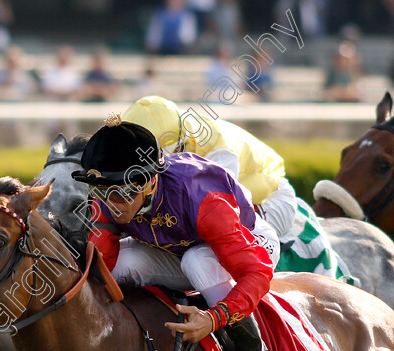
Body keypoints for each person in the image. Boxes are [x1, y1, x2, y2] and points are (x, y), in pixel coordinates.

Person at [71, 116, 280, 351]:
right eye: (101, 191)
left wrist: (213, 318)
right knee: (123, 263)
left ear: (148, 182)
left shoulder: (203, 198)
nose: (111, 205)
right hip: (178, 250)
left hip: (249, 244)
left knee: (197, 261)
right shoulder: (110, 200)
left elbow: (255, 272)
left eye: (120, 194)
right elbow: (102, 268)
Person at [120, 95, 353, 282]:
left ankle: (248, 336)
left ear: (179, 144)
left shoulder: (218, 152)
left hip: (267, 199)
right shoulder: (175, 137)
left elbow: (217, 218)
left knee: (199, 259)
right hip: (227, 195)